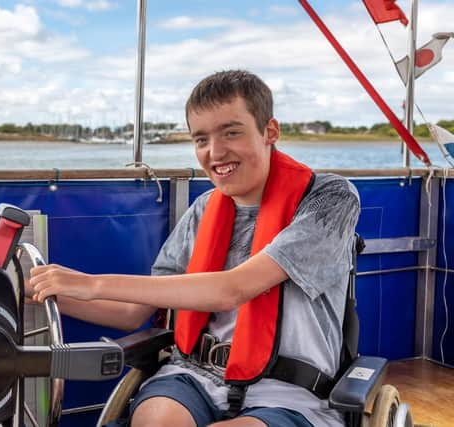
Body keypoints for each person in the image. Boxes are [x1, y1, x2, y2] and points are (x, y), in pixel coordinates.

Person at [28, 70, 360, 427]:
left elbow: (232, 289)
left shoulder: (330, 199)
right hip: (192, 379)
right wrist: (39, 290)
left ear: (270, 132)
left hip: (291, 394)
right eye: (201, 139)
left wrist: (92, 283)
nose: (215, 153)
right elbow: (129, 311)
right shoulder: (203, 209)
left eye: (231, 132)